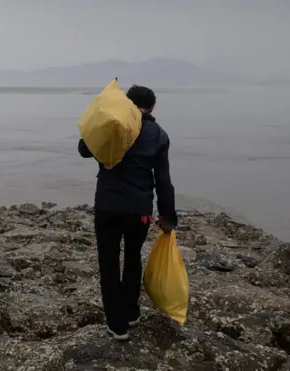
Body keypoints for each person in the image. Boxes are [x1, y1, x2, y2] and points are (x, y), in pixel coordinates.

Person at [78, 85, 178, 341]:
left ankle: (117, 324)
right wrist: (168, 217)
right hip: (140, 210)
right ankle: (132, 312)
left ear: (126, 102)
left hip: (108, 207)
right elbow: (163, 181)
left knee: (109, 262)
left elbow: (83, 149)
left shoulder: (112, 125)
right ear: (153, 107)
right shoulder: (158, 135)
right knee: (133, 257)